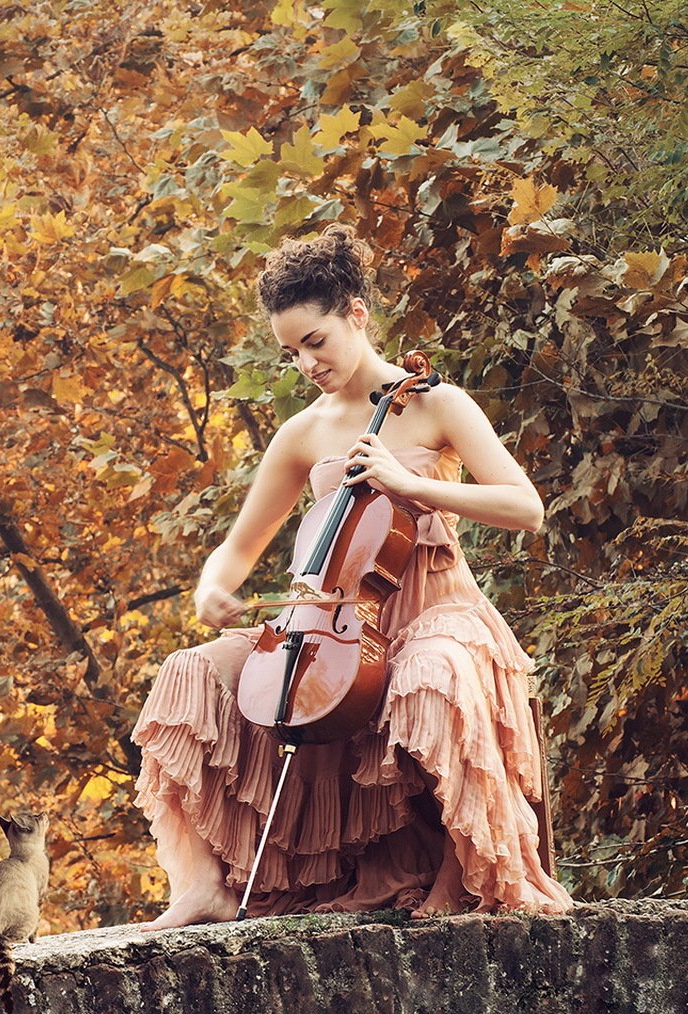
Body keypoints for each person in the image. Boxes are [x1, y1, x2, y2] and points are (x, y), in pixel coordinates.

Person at [135, 223, 575, 928]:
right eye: (291, 352)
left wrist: (412, 483)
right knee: (194, 671)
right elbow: (237, 550)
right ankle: (204, 884)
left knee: (430, 674)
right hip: (336, 623)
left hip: (439, 614)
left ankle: (457, 874)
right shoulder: (303, 433)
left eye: (316, 341)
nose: (307, 363)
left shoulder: (435, 403)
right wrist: (212, 586)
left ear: (357, 317)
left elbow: (526, 508)